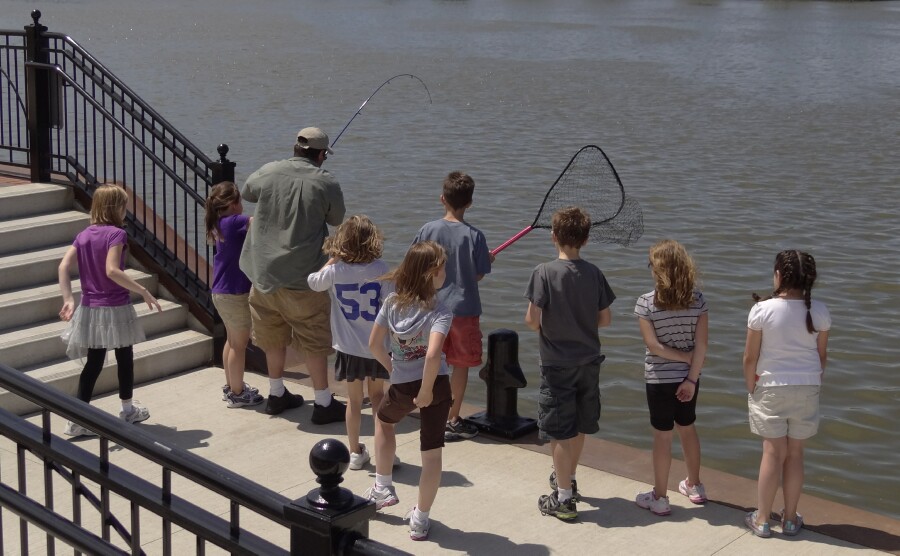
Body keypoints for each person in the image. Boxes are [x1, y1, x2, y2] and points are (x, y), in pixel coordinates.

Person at [239, 127, 347, 421]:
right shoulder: (326, 181)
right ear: (322, 154)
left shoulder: (270, 170)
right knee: (313, 338)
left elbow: (247, 191)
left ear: (295, 148)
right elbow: (337, 218)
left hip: (263, 274)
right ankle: (323, 403)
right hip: (304, 278)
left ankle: (276, 395)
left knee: (271, 335)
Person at [524, 206, 615, 521]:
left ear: (553, 237)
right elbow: (605, 319)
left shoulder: (544, 272)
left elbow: (532, 321)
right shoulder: (594, 273)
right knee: (578, 424)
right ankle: (570, 479)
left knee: (559, 430)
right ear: (586, 240)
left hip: (556, 363)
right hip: (589, 361)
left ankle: (563, 499)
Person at [364, 241, 453, 542]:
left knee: (384, 422)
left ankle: (383, 487)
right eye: (442, 266)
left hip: (402, 385)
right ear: (431, 273)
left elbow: (374, 345)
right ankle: (420, 519)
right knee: (431, 455)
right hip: (436, 386)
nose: (445, 271)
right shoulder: (440, 310)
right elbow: (432, 355)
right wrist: (426, 390)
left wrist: (392, 368)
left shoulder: (391, 304)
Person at [58, 184, 162, 437]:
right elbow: (112, 270)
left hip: (91, 308)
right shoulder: (117, 234)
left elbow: (63, 266)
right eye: (124, 205)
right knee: (124, 357)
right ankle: (127, 409)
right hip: (115, 306)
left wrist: (69, 298)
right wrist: (143, 290)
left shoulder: (84, 235)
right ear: (116, 208)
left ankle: (77, 418)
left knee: (93, 363)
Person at [743, 250, 830, 538]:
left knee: (772, 452)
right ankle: (791, 519)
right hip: (807, 386)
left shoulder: (762, 310)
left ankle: (763, 519)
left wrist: (750, 387)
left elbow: (749, 358)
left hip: (770, 386)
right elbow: (821, 357)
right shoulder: (819, 311)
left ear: (778, 275)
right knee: (795, 454)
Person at [412, 171, 491, 442]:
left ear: (442, 199)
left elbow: (416, 265)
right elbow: (478, 274)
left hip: (430, 309)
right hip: (463, 311)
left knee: (431, 360)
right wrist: (485, 260)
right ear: (470, 203)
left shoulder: (427, 230)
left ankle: (427, 409)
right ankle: (452, 419)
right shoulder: (476, 236)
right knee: (460, 365)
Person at [308, 215, 390, 470]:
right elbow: (390, 302)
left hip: (348, 347)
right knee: (377, 397)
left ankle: (354, 452)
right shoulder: (381, 269)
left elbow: (313, 282)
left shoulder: (335, 271)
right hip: (376, 346)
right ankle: (382, 450)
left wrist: (333, 259)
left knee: (354, 401)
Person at [633, 239, 709, 516]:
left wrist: (680, 358)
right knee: (687, 428)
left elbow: (654, 347)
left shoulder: (645, 303)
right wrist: (691, 373)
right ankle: (695, 485)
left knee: (662, 437)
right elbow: (701, 346)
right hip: (688, 379)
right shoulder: (698, 300)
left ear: (658, 270)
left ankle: (660, 497)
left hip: (657, 379)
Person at [205, 181, 263, 408]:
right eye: (241, 201)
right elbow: (260, 223)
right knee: (239, 345)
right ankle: (238, 393)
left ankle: (232, 387)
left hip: (220, 291)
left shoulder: (219, 223)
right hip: (234, 293)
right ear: (232, 203)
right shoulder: (236, 221)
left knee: (231, 341)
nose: (243, 206)